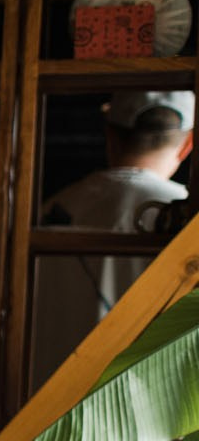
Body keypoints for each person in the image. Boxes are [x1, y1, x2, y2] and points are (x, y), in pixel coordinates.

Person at [31, 90, 195, 387]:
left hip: (49, 402)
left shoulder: (53, 209)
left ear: (110, 136)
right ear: (188, 145)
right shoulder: (187, 215)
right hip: (157, 407)